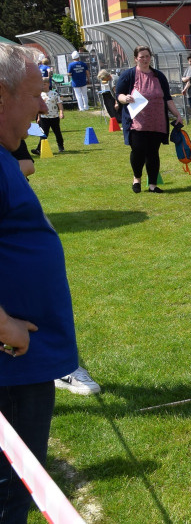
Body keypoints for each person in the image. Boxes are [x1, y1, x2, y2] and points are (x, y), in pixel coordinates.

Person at [0, 44, 81, 523]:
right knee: (11, 496)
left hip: (24, 363)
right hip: (12, 365)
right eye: (35, 95)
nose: (43, 107)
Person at [115, 45, 184, 194]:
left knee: (153, 153)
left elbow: (167, 98)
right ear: (135, 59)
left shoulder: (159, 76)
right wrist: (125, 98)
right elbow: (118, 94)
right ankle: (137, 179)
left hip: (157, 122)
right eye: (142, 57)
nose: (145, 59)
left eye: (147, 56)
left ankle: (153, 184)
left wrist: (177, 114)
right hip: (137, 122)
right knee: (138, 151)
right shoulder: (128, 75)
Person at [31, 83, 64, 155]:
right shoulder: (40, 95)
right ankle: (39, 149)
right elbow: (39, 107)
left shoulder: (54, 94)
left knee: (57, 132)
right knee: (44, 133)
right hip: (44, 118)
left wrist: (61, 112)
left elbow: (59, 104)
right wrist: (38, 117)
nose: (43, 86)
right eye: (42, 84)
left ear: (48, 84)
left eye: (44, 84)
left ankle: (61, 147)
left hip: (54, 116)